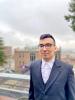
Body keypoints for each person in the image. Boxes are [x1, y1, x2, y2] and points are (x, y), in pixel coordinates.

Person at [29, 33, 75, 100]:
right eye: (41, 46)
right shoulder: (33, 66)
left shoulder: (67, 69)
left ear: (55, 48)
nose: (44, 49)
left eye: (48, 45)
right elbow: (32, 92)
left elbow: (71, 96)